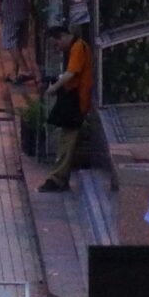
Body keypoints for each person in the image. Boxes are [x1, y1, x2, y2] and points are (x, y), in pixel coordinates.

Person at [40, 24, 95, 191]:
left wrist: (54, 87)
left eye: (56, 44)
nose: (57, 49)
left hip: (77, 101)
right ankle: (60, 178)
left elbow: (71, 73)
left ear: (62, 36)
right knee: (66, 140)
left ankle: (58, 178)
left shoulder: (78, 47)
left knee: (67, 142)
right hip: (73, 100)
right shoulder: (77, 48)